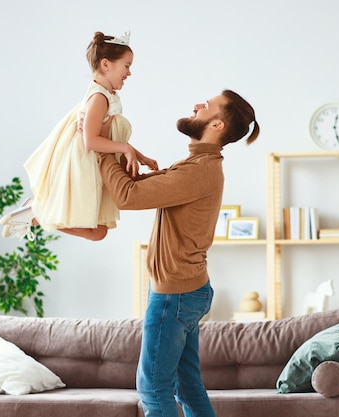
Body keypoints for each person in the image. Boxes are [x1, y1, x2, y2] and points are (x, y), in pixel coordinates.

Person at [97, 89, 259, 417]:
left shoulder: (198, 171)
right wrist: (124, 152)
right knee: (186, 386)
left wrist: (100, 150)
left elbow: (127, 196)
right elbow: (139, 187)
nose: (197, 105)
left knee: (153, 388)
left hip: (175, 294)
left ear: (215, 125)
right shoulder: (199, 165)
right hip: (189, 289)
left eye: (207, 106)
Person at [0, 31, 157, 241]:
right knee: (97, 232)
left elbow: (110, 137)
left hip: (96, 162)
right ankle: (37, 212)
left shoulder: (107, 96)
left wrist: (140, 155)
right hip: (85, 165)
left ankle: (35, 214)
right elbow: (91, 141)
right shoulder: (99, 97)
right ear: (106, 64)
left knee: (99, 232)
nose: (129, 73)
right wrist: (126, 149)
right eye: (127, 66)